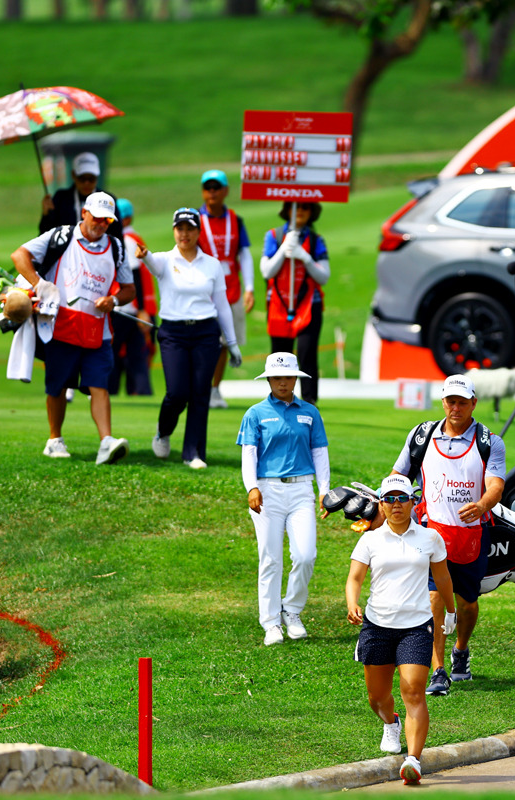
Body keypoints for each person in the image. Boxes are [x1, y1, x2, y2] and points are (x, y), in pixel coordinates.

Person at [390, 374, 505, 697]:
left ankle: (461, 649)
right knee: (434, 598)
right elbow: (399, 474)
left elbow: (496, 484)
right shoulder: (421, 435)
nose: (455, 407)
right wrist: (395, 498)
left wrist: (483, 503)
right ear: (443, 402)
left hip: (471, 536)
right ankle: (438, 669)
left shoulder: (489, 441)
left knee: (467, 604)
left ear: (473, 404)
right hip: (431, 534)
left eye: (462, 402)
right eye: (450, 401)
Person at [346, 474, 455, 786]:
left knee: (413, 691)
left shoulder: (430, 539)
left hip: (416, 627)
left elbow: (443, 578)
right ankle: (390, 722)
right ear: (381, 504)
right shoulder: (370, 539)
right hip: (378, 626)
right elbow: (355, 577)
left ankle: (413, 760)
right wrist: (352, 603)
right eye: (389, 499)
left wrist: (450, 610)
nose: (396, 505)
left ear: (413, 502)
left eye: (402, 498)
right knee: (377, 698)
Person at [10, 191, 133, 463]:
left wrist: (113, 299)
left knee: (99, 384)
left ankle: (106, 442)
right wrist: (38, 285)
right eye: (97, 218)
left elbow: (129, 289)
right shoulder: (61, 236)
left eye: (107, 221)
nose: (101, 224)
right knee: (57, 386)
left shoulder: (116, 247)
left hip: (97, 330)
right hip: (60, 325)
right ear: (84, 213)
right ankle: (54, 439)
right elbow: (19, 256)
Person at [238, 352, 331, 645]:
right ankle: (270, 623)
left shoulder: (310, 412)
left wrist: (324, 490)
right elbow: (249, 454)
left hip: (302, 489)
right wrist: (251, 487)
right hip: (267, 491)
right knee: (271, 559)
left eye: (287, 377)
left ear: (295, 379)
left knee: (306, 555)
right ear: (268, 380)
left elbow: (320, 452)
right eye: (277, 377)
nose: (282, 382)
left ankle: (291, 610)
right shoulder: (255, 414)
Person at [138, 208, 242, 469]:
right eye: (180, 228)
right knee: (177, 392)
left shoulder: (212, 264)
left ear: (198, 232)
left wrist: (231, 343)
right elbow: (150, 261)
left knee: (200, 393)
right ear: (174, 231)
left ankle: (193, 453)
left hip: (206, 332)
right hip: (173, 333)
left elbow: (222, 305)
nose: (184, 234)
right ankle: (163, 432)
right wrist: (144, 255)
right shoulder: (164, 260)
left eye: (190, 229)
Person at [261, 201, 329, 404]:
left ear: (311, 213)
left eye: (305, 207)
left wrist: (305, 257)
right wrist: (283, 249)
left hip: (308, 305)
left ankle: (309, 404)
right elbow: (267, 271)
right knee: (279, 360)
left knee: (307, 355)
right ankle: (278, 404)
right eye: (294, 207)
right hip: (279, 305)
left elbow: (323, 277)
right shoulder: (274, 236)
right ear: (286, 210)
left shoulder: (316, 240)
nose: (299, 211)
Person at [198, 170, 255, 410]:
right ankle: (199, 387)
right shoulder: (194, 219)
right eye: (208, 188)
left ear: (225, 191)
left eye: (216, 187)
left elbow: (244, 253)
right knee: (204, 341)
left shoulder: (235, 219)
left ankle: (214, 388)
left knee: (224, 343)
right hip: (202, 290)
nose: (212, 192)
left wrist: (250, 287)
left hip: (230, 289)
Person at [108, 198, 156, 397]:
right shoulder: (135, 238)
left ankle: (107, 392)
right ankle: (139, 393)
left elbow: (135, 276)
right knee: (136, 357)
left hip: (124, 308)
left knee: (116, 356)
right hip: (131, 308)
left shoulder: (124, 240)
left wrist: (142, 309)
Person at [39, 152, 124, 241]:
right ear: (73, 175)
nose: (86, 183)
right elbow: (45, 235)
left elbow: (117, 235)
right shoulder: (61, 198)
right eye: (82, 178)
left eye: (91, 178)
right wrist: (46, 215)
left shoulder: (107, 199)